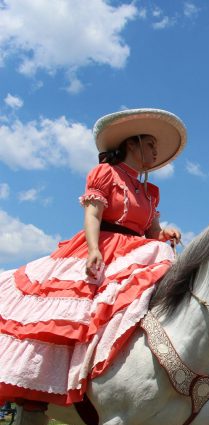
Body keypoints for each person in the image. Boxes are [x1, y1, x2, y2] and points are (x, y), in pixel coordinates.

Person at [0, 108, 185, 409]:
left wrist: (167, 232)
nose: (154, 151)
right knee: (79, 313)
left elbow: (152, 232)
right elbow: (93, 214)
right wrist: (93, 247)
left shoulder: (149, 191)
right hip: (105, 244)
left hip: (136, 250)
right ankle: (58, 377)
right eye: (150, 144)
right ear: (132, 143)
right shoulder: (105, 174)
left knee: (160, 258)